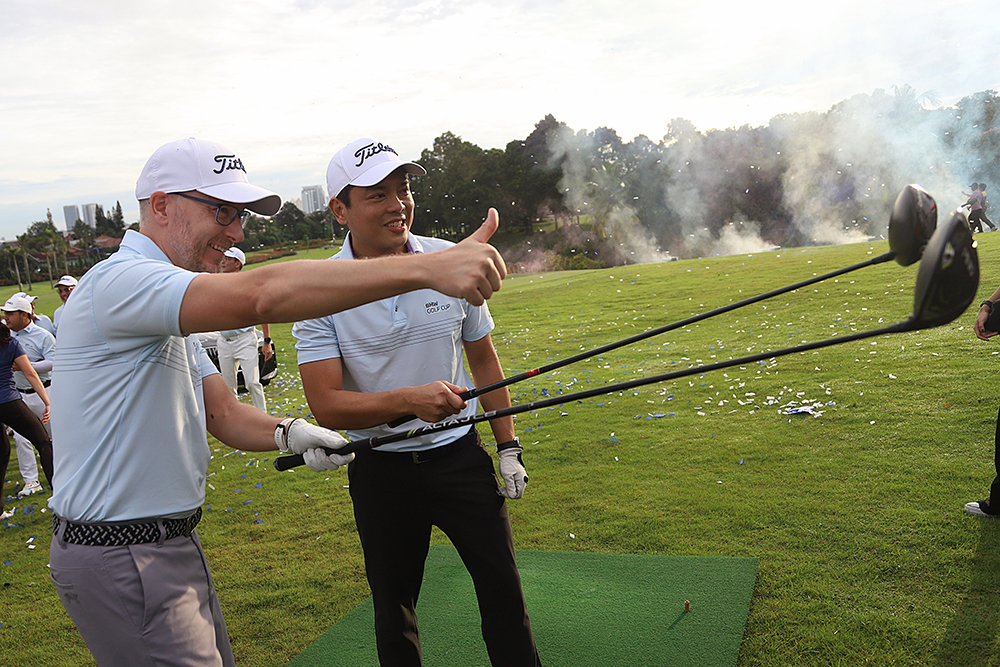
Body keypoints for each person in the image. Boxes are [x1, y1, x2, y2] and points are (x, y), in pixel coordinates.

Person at [46, 137, 506, 667]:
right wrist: (428, 267)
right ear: (161, 204)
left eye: (239, 215)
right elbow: (263, 293)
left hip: (166, 544)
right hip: (124, 551)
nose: (236, 232)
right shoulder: (122, 283)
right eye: (221, 210)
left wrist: (291, 431)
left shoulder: (161, 303)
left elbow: (223, 412)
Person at [293, 137, 539, 667]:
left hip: (459, 459)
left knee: (503, 590)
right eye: (377, 195)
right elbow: (327, 407)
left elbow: (485, 362)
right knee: (394, 607)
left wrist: (509, 446)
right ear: (340, 210)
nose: (397, 204)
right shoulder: (318, 290)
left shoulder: (451, 262)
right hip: (382, 470)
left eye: (403, 189)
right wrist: (410, 400)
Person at [0, 304, 54, 521]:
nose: (6, 317)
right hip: (9, 401)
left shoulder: (32, 336)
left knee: (3, 453)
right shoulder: (10, 342)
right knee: (43, 443)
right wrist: (48, 402)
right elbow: (30, 373)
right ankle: (59, 494)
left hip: (9, 400)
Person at [215, 246, 272, 412]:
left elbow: (262, 313)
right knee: (229, 386)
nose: (223, 262)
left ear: (237, 263)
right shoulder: (216, 283)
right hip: (224, 342)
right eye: (223, 258)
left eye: (227, 259)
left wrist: (267, 341)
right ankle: (235, 421)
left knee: (252, 382)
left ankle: (263, 417)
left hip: (245, 339)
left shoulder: (248, 285)